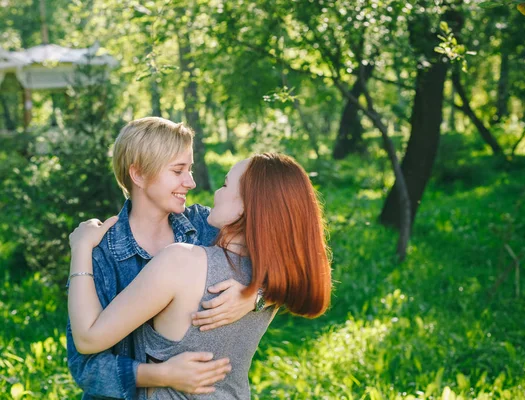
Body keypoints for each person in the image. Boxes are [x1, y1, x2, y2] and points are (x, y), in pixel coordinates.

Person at [68, 153, 332, 399]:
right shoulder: (272, 276)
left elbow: (88, 339)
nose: (212, 191)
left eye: (226, 185)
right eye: (178, 170)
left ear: (244, 208)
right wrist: (257, 295)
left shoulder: (180, 262)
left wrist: (80, 248)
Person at [66, 117, 260, 399]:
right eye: (178, 170)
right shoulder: (101, 252)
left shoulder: (208, 226)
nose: (191, 182)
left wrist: (254, 296)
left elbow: (284, 260)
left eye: (190, 169)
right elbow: (84, 366)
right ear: (139, 175)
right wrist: (162, 375)